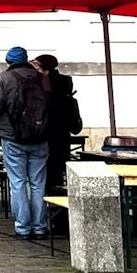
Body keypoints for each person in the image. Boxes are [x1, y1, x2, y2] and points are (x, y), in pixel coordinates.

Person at [0, 46, 52, 239]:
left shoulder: (4, 79)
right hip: (40, 137)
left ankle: (23, 228)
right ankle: (39, 227)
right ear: (26, 59)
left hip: (13, 136)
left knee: (18, 182)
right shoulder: (43, 78)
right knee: (38, 183)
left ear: (8, 61)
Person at [34, 54, 83, 198]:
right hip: (62, 139)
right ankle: (58, 211)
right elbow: (75, 127)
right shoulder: (66, 93)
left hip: (43, 138)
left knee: (40, 177)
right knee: (57, 176)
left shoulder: (38, 86)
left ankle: (45, 209)